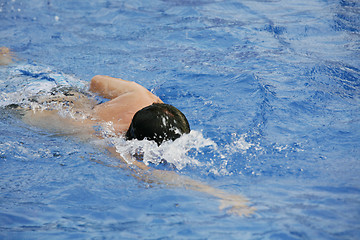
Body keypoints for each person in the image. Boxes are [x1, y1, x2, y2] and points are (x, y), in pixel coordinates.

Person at [1, 47, 255, 216]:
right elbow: (149, 176)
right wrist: (220, 194)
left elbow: (96, 82)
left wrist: (94, 105)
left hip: (54, 84)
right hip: (23, 107)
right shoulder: (102, 139)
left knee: (9, 60)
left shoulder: (141, 96)